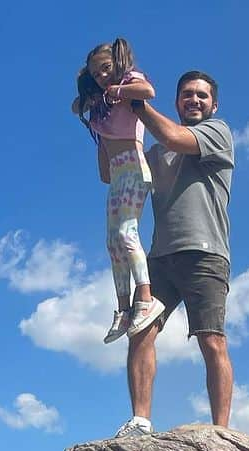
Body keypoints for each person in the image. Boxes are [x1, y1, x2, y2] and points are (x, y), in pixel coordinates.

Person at [114, 71, 235, 438]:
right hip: (160, 257)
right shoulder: (154, 153)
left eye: (201, 96)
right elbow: (113, 172)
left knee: (211, 339)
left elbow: (172, 135)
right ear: (177, 101)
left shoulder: (218, 133)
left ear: (213, 104)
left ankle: (221, 433)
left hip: (205, 252)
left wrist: (136, 103)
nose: (194, 100)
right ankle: (140, 421)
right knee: (141, 331)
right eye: (186, 95)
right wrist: (103, 120)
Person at [72, 37, 165, 344]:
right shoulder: (101, 105)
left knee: (127, 233)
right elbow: (76, 108)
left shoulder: (127, 82)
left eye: (105, 68)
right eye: (96, 73)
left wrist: (117, 89)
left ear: (118, 63)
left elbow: (148, 91)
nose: (101, 76)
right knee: (113, 242)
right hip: (117, 175)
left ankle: (146, 298)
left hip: (135, 167)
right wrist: (88, 89)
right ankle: (123, 308)